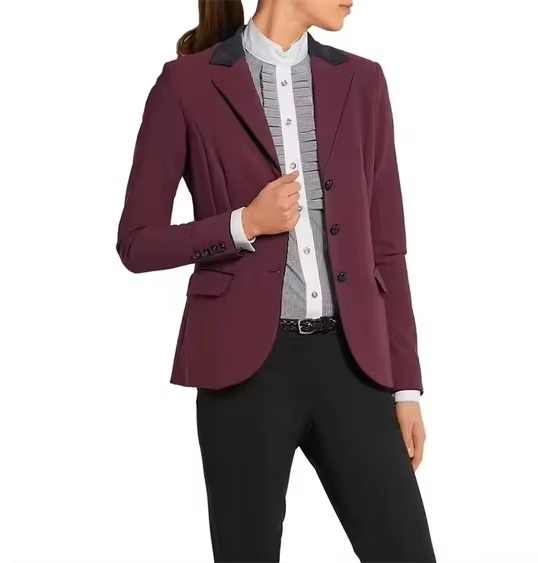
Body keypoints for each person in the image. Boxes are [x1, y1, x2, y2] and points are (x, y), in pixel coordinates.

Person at [116, 0, 436, 561]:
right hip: (242, 372)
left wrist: (406, 387)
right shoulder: (185, 85)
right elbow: (137, 243)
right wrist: (243, 224)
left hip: (354, 366)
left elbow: (387, 250)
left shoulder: (363, 82)